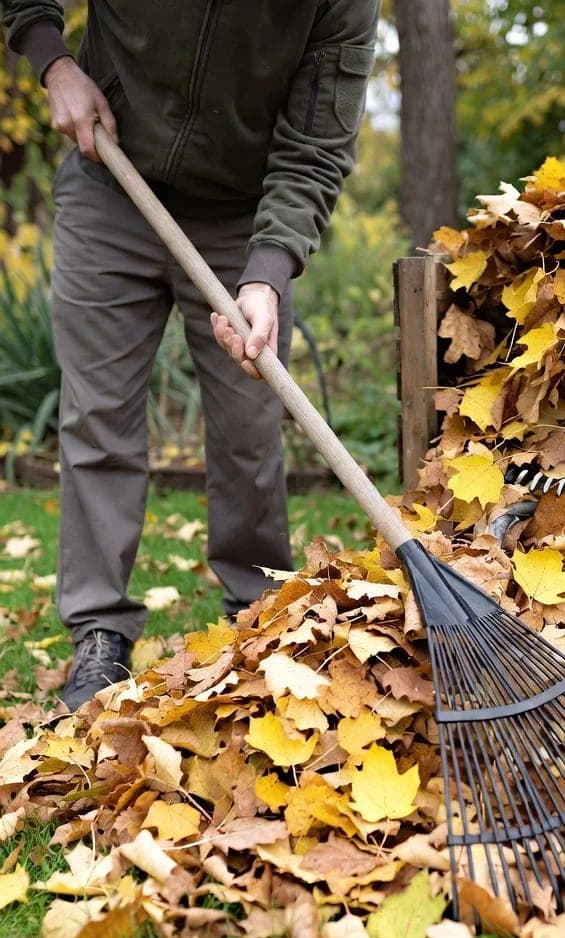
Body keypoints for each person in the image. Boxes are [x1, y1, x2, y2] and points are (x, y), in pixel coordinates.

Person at [1, 1, 380, 710]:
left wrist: (267, 271)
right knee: (98, 418)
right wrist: (52, 59)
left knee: (248, 427)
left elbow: (317, 144)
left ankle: (258, 612)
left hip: (242, 216)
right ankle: (99, 631)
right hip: (110, 177)